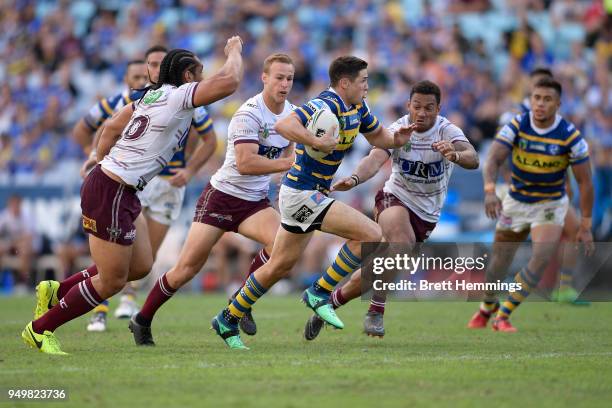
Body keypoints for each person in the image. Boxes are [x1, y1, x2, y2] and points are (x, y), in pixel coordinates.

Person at [21, 38, 244, 355]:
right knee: (112, 281)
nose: (202, 78)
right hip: (112, 189)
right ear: (187, 77)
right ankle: (40, 330)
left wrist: (97, 155)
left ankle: (55, 291)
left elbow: (111, 127)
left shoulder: (150, 96)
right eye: (198, 73)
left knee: (140, 266)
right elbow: (231, 81)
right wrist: (234, 51)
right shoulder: (179, 96)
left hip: (121, 189)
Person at [210, 55, 416, 349]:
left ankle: (227, 318)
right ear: (345, 83)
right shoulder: (324, 105)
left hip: (310, 192)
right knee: (370, 234)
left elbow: (379, 136)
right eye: (363, 81)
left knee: (279, 266)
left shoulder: (358, 107)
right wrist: (315, 141)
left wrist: (398, 139)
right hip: (302, 193)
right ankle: (319, 292)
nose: (367, 87)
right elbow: (285, 126)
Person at [128, 53, 296, 346]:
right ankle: (142, 319)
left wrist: (291, 170)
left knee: (282, 248)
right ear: (265, 78)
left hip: (254, 202)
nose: (285, 84)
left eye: (290, 79)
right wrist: (285, 165)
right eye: (279, 77)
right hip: (221, 197)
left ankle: (240, 300)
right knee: (185, 270)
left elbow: (290, 153)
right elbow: (246, 163)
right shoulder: (249, 113)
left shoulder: (292, 113)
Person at [302, 80, 479, 340]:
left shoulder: (447, 131)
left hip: (426, 214)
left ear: (438, 109)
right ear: (408, 105)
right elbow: (374, 159)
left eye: (429, 107)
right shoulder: (398, 129)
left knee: (380, 269)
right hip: (393, 198)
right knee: (401, 244)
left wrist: (455, 154)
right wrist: (353, 179)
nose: (422, 112)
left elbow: (472, 157)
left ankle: (329, 304)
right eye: (417, 106)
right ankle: (376, 311)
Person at [74, 45, 218, 332]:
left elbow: (208, 140)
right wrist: (94, 157)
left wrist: (187, 168)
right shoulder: (123, 101)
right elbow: (87, 129)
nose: (147, 73)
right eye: (144, 67)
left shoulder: (185, 99)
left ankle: (127, 297)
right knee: (117, 251)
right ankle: (100, 308)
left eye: (154, 65)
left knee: (142, 257)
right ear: (130, 76)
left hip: (164, 184)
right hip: (126, 181)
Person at [467, 77, 594, 333]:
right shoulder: (517, 124)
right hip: (516, 201)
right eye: (537, 98)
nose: (540, 104)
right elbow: (492, 159)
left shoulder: (570, 137)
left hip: (550, 203)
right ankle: (485, 308)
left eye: (547, 99)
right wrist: (490, 192)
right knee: (497, 265)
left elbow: (585, 182)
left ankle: (503, 315)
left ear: (558, 104)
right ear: (530, 100)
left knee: (540, 258)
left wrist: (586, 224)